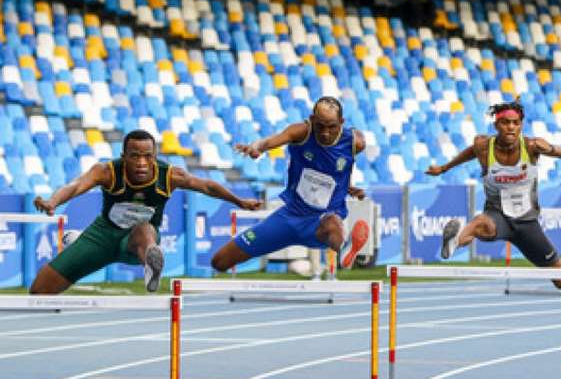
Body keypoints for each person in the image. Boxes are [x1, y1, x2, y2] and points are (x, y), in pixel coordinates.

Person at [31, 129, 262, 294]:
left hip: (138, 242)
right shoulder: (108, 171)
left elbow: (208, 186)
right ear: (124, 157)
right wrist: (53, 201)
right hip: (101, 236)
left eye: (147, 156)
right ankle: (81, 242)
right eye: (135, 156)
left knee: (144, 230)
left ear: (155, 157)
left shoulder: (169, 175)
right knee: (39, 291)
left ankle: (151, 265)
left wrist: (238, 201)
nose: (142, 162)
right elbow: (77, 185)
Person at [426, 101, 561, 288]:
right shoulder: (483, 146)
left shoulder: (531, 146)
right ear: (496, 125)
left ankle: (457, 240)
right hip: (497, 216)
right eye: (505, 122)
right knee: (479, 223)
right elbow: (470, 152)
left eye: (515, 123)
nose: (511, 127)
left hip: (527, 223)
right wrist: (443, 168)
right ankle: (454, 242)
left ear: (521, 125)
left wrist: (553, 149)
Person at [211, 96, 370, 273]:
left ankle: (345, 249)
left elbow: (344, 166)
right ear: (312, 120)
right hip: (288, 218)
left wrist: (347, 185)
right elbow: (272, 140)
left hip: (320, 223)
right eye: (320, 126)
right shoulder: (301, 132)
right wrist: (258, 147)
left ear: (342, 122)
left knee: (332, 223)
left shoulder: (355, 143)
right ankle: (342, 245)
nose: (325, 132)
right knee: (220, 262)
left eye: (332, 126)